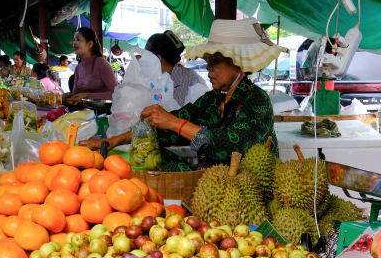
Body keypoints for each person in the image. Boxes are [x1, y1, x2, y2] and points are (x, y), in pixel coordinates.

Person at [80, 18, 282, 171]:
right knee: (152, 151)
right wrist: (113, 141)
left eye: (216, 61)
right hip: (217, 179)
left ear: (239, 64)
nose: (209, 67)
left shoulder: (256, 100)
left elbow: (228, 146)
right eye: (208, 60)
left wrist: (175, 124)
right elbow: (170, 125)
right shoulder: (213, 99)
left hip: (250, 184)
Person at [143, 30, 208, 106]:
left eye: (146, 57)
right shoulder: (154, 79)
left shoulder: (192, 81)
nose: (143, 61)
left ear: (157, 59)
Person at [64, 28, 117, 104]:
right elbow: (76, 94)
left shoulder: (101, 63)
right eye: (74, 40)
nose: (74, 43)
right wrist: (68, 96)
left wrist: (87, 96)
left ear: (90, 44)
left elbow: (116, 94)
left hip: (102, 113)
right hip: (82, 113)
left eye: (78, 40)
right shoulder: (78, 68)